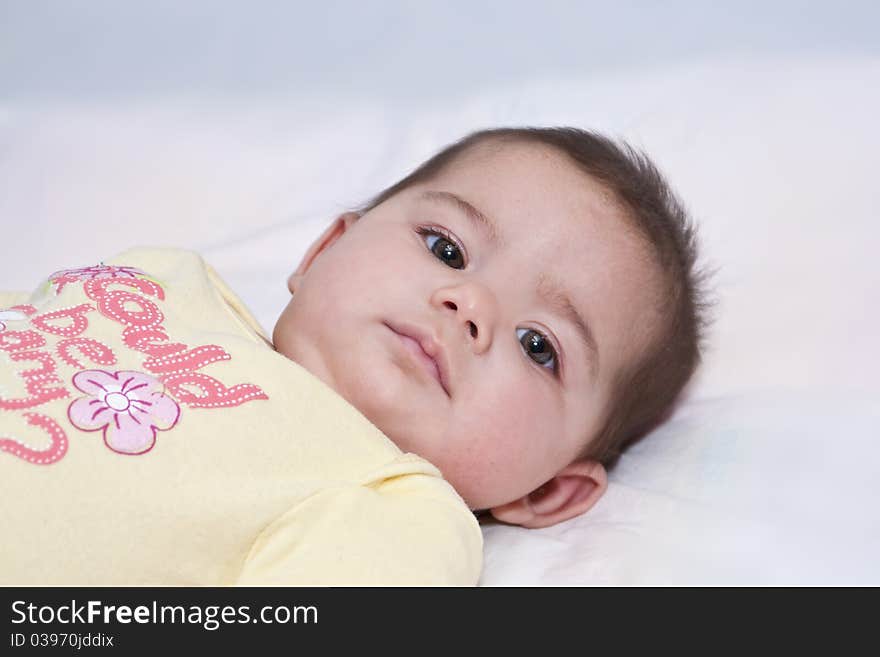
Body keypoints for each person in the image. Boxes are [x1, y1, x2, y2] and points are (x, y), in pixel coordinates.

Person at [0, 126, 711, 585]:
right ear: (325, 250)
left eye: (539, 346)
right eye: (446, 248)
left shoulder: (395, 511)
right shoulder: (163, 280)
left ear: (548, 490)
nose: (469, 304)